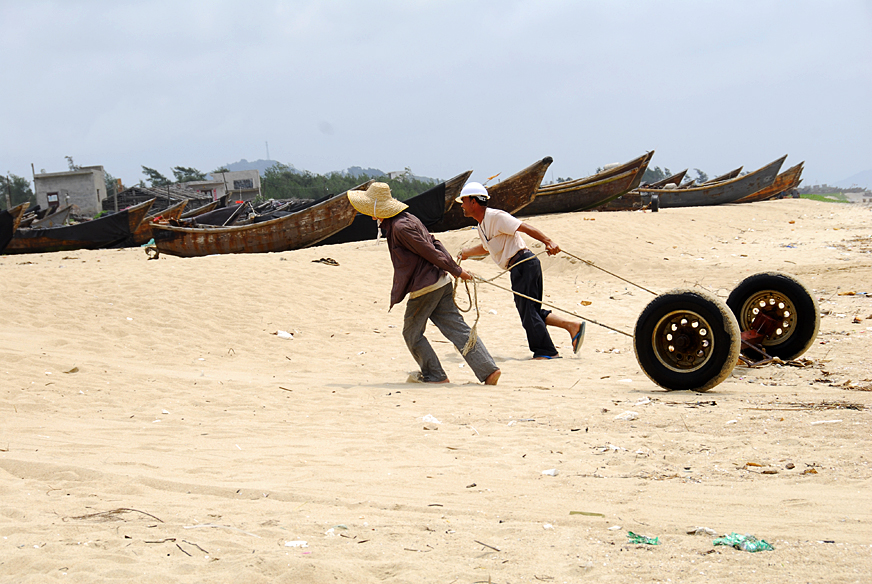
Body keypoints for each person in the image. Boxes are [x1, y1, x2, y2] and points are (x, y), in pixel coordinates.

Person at [347, 182, 501, 385]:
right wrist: (452, 268)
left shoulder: (400, 227)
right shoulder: (408, 218)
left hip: (426, 287)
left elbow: (430, 251)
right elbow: (434, 242)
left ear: (377, 209)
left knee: (411, 333)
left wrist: (456, 270)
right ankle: (489, 371)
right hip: (440, 282)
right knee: (457, 328)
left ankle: (435, 375)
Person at [456, 182, 585, 360]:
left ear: (473, 201)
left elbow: (524, 227)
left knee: (528, 311)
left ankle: (546, 351)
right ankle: (571, 326)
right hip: (520, 267)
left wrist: (548, 242)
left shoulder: (496, 216)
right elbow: (487, 248)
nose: (461, 205)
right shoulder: (482, 226)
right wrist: (467, 253)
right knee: (530, 309)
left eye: (463, 201)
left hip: (524, 264)